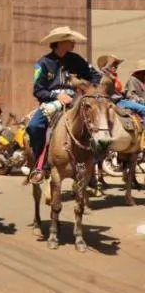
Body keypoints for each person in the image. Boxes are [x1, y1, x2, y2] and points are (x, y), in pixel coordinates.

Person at [27, 26, 101, 184]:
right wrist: (57, 95)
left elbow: (96, 75)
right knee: (34, 126)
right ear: (60, 42)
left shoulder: (76, 59)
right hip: (51, 103)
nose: (73, 42)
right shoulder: (43, 63)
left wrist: (88, 89)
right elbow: (38, 90)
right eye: (70, 40)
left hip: (76, 101)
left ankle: (92, 165)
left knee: (97, 123)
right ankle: (40, 164)